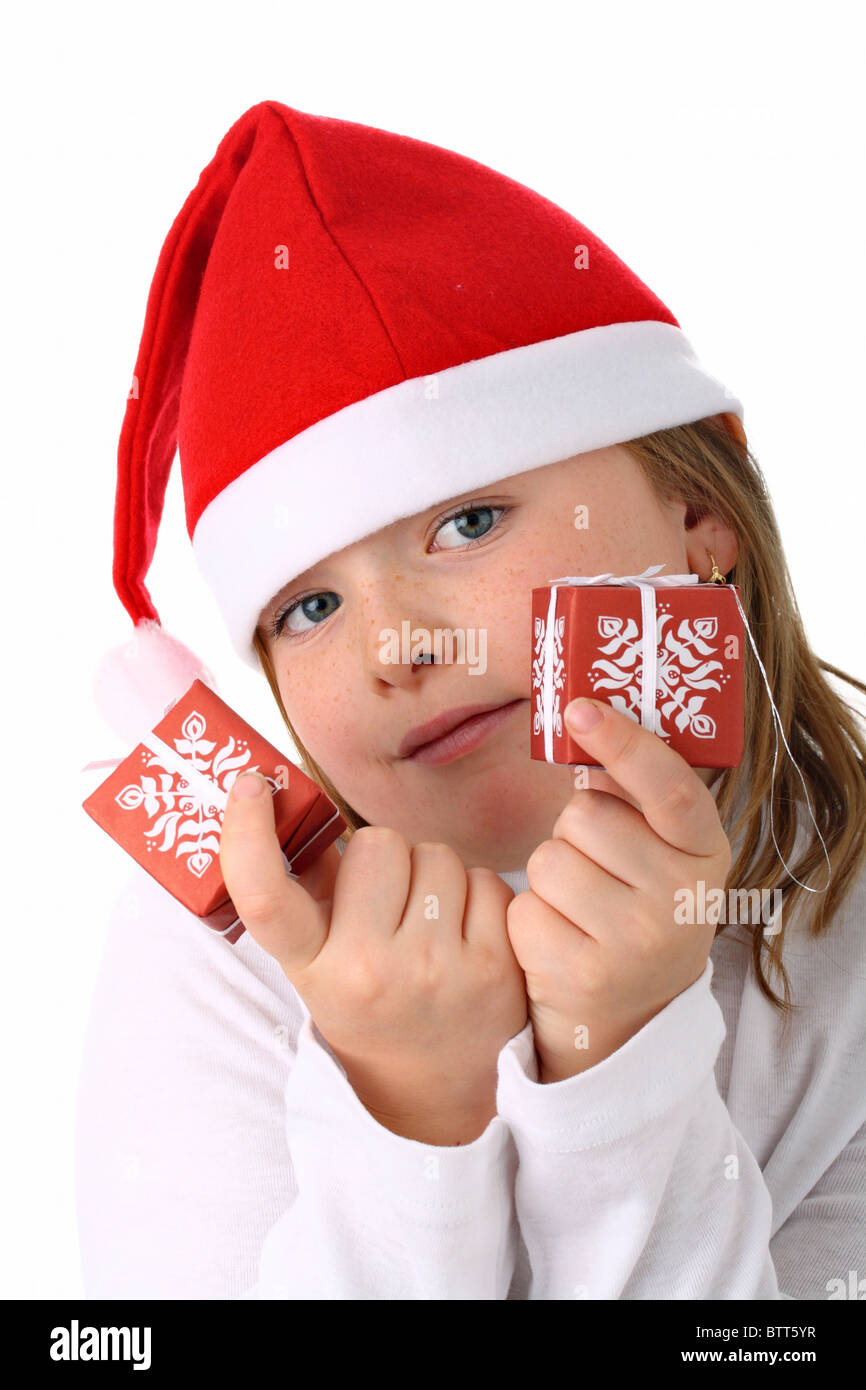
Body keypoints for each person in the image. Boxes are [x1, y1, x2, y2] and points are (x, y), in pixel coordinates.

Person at [75, 99, 866, 1300]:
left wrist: (622, 1058)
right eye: (308, 608)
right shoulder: (217, 963)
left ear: (697, 522)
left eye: (468, 522)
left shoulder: (844, 925)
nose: (392, 648)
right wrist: (405, 1110)